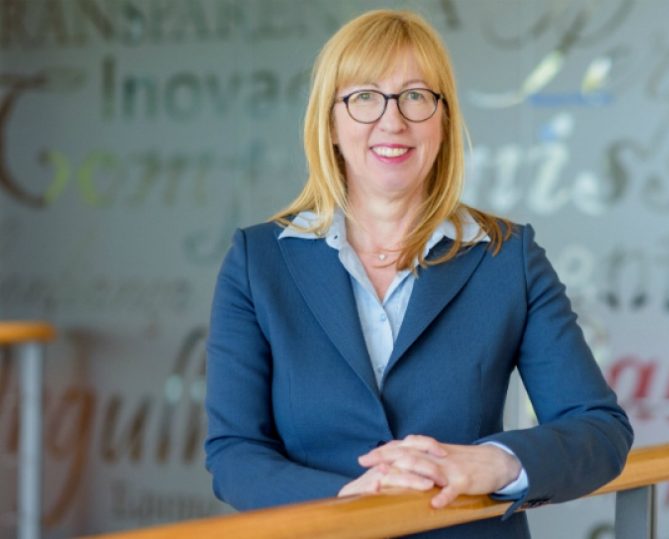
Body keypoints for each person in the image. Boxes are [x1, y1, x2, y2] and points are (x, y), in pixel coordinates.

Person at [205, 9, 633, 539]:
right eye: (365, 97)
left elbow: (600, 429)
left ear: (443, 120)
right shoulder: (258, 261)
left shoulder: (507, 256)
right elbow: (234, 451)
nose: (393, 121)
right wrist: (346, 501)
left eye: (415, 96)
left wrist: (496, 462)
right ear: (330, 124)